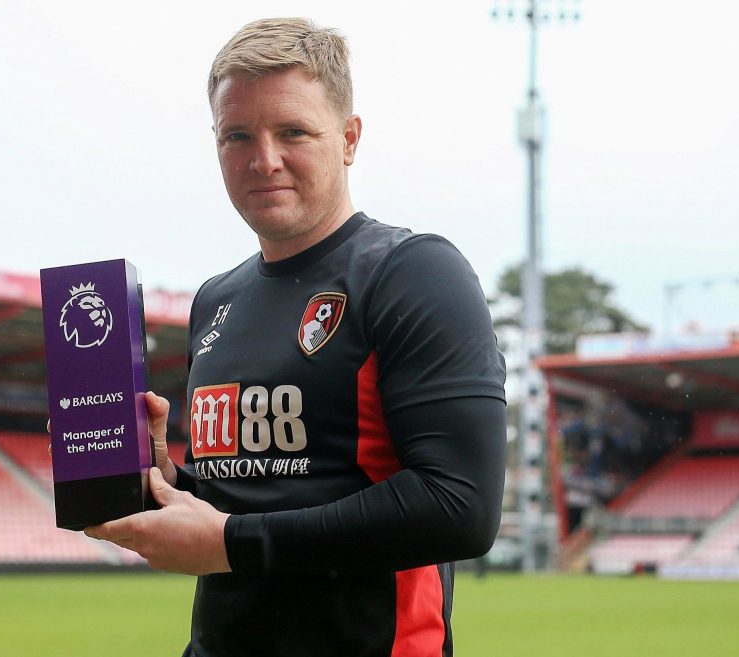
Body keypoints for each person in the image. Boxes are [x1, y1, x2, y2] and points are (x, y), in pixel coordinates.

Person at [84, 17, 507, 657]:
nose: (264, 159)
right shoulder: (216, 299)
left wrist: (229, 542)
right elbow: (253, 496)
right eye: (237, 135)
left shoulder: (413, 272)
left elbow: (460, 507)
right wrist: (168, 479)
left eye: (292, 132)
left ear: (349, 138)